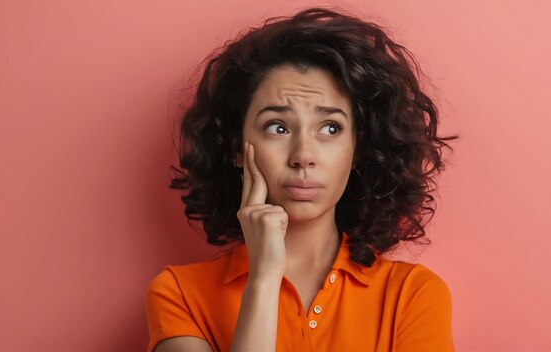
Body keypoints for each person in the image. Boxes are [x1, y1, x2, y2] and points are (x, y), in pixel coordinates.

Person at [146, 7, 459, 352]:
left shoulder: (412, 294)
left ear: (357, 149)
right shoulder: (179, 294)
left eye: (330, 128)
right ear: (237, 147)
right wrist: (263, 279)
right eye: (277, 127)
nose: (303, 155)